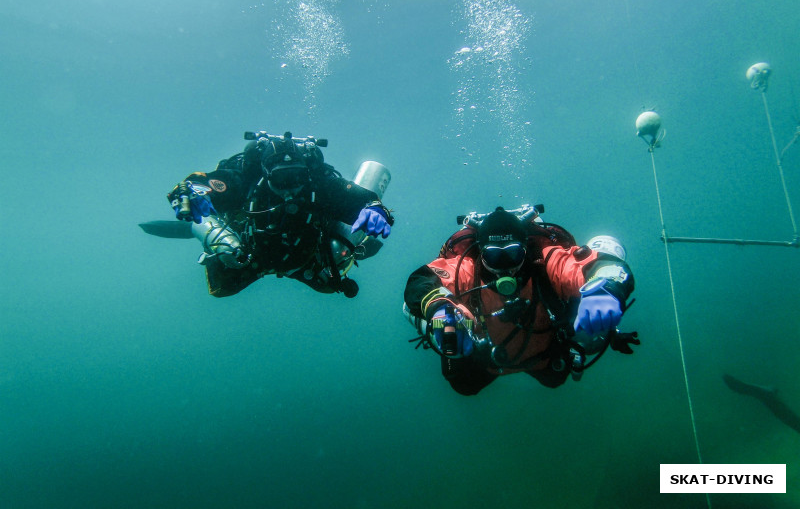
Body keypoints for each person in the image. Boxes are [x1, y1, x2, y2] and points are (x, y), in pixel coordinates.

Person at [403, 204, 639, 395]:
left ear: (526, 250)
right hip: (482, 361)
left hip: (544, 357)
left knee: (556, 379)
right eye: (494, 257)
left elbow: (597, 264)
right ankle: (437, 328)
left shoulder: (547, 262)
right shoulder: (465, 269)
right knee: (464, 385)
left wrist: (607, 288)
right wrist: (438, 307)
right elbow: (422, 280)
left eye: (513, 254)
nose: (505, 268)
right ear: (481, 254)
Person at [167, 130, 393, 298]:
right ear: (266, 174)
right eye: (281, 180)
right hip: (249, 255)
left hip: (307, 259)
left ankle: (355, 248)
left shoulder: (320, 183)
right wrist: (192, 191)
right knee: (221, 289)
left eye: (297, 178)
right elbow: (212, 182)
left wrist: (375, 209)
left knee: (330, 283)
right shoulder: (247, 181)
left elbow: (364, 197)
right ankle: (201, 227)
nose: (290, 189)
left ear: (306, 174)